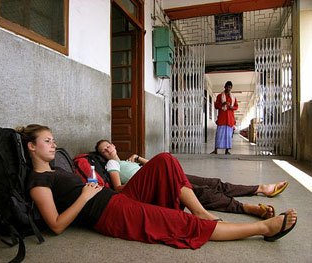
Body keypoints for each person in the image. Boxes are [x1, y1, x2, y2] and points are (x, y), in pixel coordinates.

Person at [19, 124, 297, 251]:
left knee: (165, 159)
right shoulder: (38, 181)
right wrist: (84, 195)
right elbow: (55, 225)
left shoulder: (57, 169)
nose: (54, 144)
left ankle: (200, 211)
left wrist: (94, 185)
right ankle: (264, 229)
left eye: (53, 139)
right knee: (178, 222)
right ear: (31, 147)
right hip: (109, 213)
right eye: (47, 141)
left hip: (116, 196)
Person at [95, 140, 289, 220]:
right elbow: (119, 188)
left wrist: (138, 159)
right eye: (104, 150)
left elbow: (153, 164)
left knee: (213, 183)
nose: (109, 149)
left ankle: (260, 188)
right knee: (202, 192)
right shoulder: (113, 165)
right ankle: (246, 208)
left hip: (162, 174)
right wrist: (144, 179)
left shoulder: (128, 160)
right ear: (104, 156)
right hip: (156, 184)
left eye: (109, 145)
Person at [211, 81, 238, 155]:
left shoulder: (233, 97)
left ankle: (227, 151)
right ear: (224, 87)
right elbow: (216, 106)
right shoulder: (220, 96)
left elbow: (236, 106)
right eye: (227, 87)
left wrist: (232, 107)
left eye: (230, 87)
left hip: (230, 120)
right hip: (222, 119)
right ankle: (215, 150)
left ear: (231, 88)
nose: (228, 88)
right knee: (219, 135)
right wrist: (222, 104)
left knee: (228, 136)